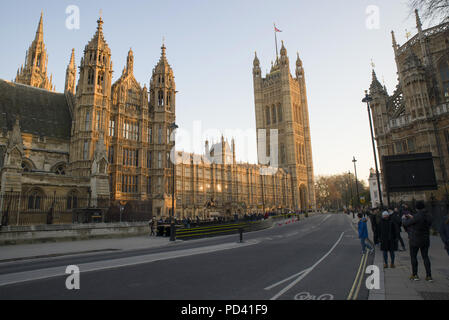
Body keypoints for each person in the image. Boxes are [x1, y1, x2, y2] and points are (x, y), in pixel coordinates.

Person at [402, 201, 433, 282]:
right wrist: (413, 217)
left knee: (413, 257)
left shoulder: (416, 216)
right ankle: (429, 276)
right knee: (425, 257)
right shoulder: (428, 216)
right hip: (425, 239)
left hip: (415, 239)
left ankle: (415, 275)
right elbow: (424, 222)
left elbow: (406, 224)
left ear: (416, 208)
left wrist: (405, 218)